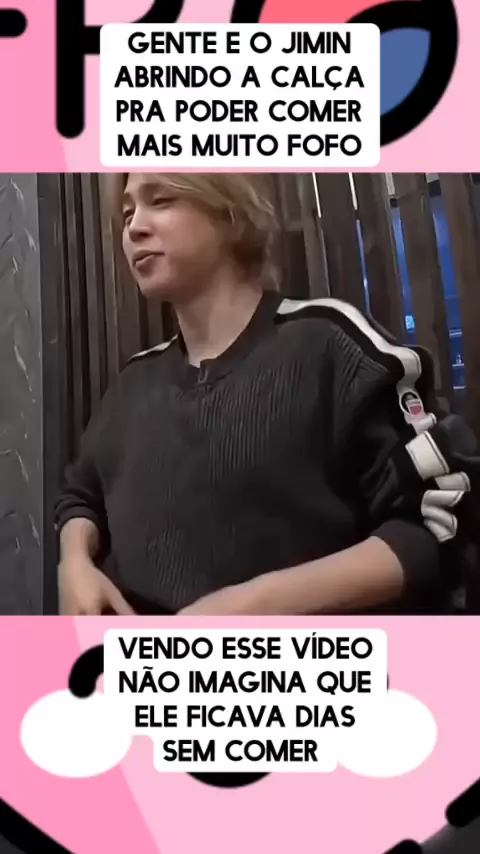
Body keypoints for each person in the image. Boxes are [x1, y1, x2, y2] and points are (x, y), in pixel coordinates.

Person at [55, 173, 470, 616]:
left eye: (161, 200)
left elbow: (438, 520)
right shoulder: (131, 386)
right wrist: (74, 562)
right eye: (127, 213)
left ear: (232, 216)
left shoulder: (331, 345)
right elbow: (80, 497)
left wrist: (254, 605)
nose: (134, 227)